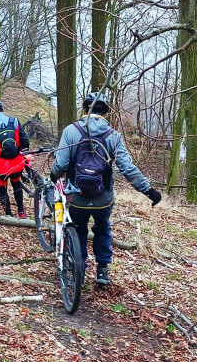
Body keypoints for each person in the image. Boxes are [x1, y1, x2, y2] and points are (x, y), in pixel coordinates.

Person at [50, 92, 161, 286]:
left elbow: (61, 164)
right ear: (105, 113)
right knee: (102, 229)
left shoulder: (71, 131)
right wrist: (149, 191)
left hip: (77, 197)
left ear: (85, 110)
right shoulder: (113, 136)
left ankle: (79, 270)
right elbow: (128, 168)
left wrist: (54, 176)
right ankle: (102, 271)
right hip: (103, 199)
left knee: (79, 229)